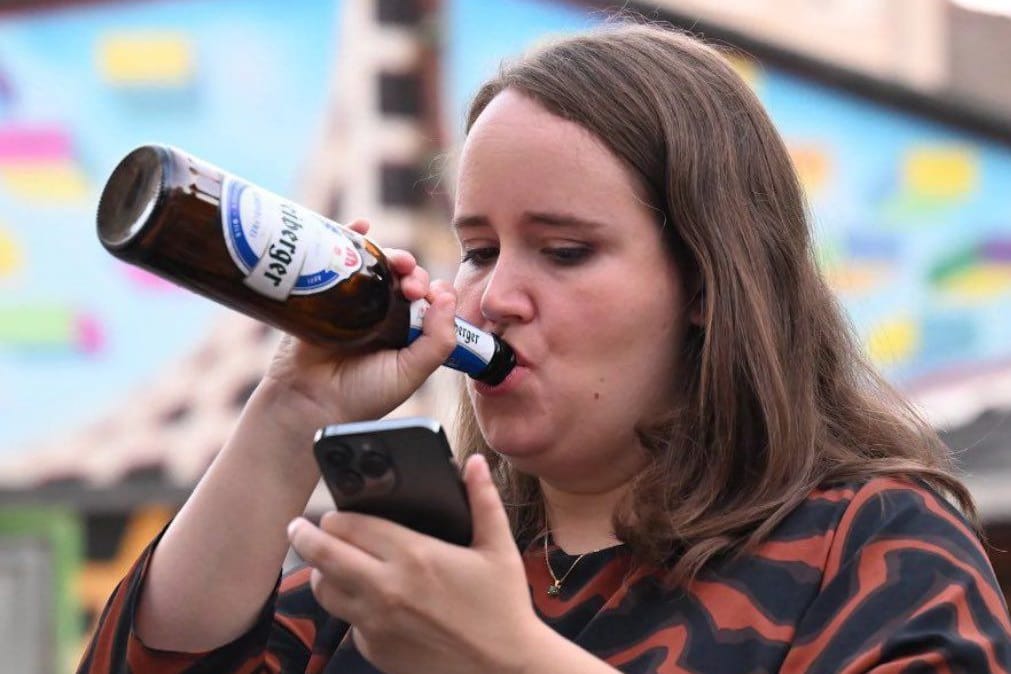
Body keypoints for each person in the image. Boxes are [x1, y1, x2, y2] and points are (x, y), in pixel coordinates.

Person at [79, 21, 1011, 674]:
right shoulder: (416, 553)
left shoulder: (865, 541)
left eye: (565, 251)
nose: (495, 295)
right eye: (478, 249)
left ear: (706, 281)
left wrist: (503, 656)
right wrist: (290, 413)